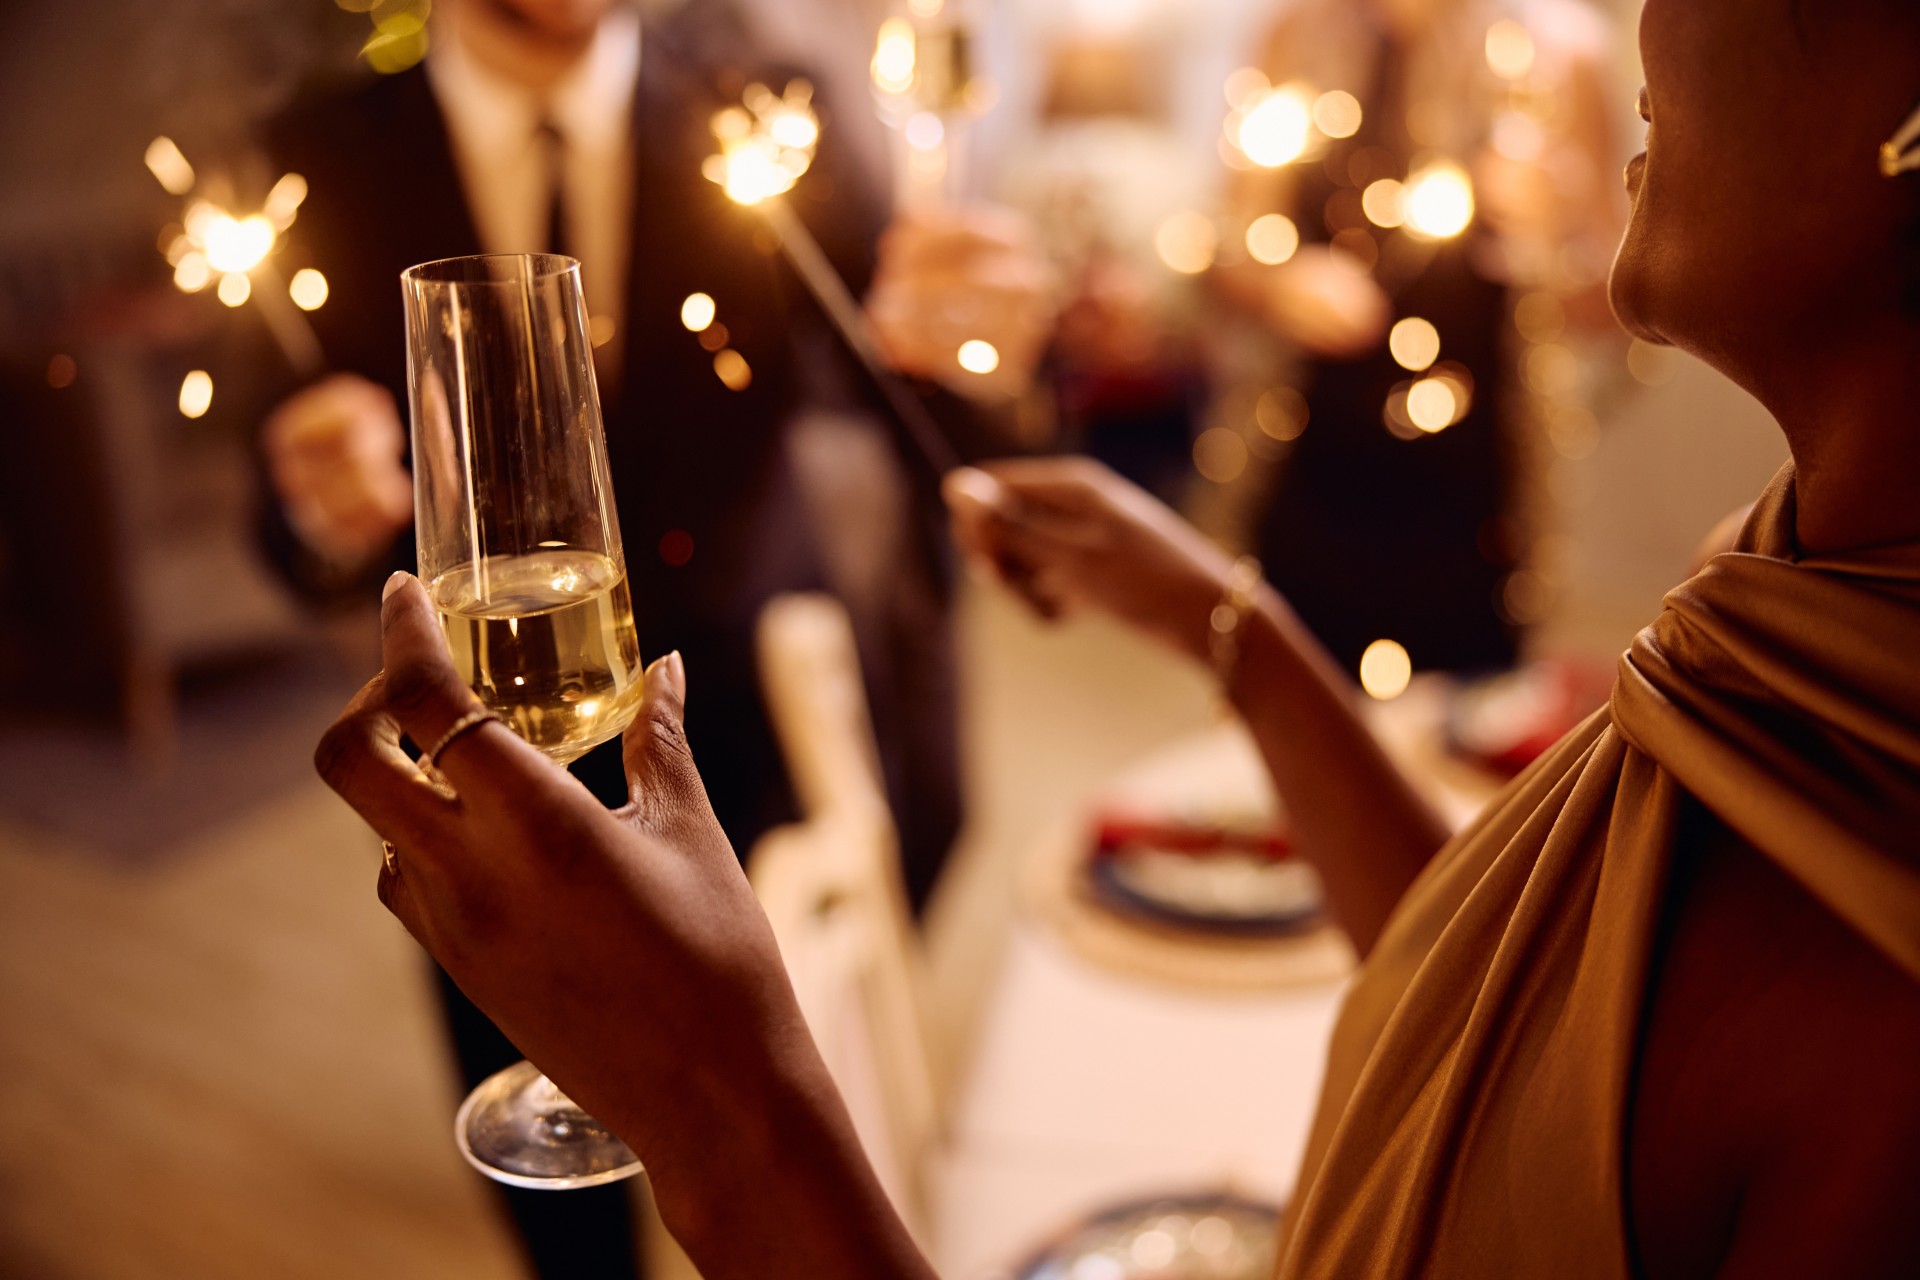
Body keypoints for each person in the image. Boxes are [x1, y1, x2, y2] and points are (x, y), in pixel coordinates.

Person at [314, 0, 1920, 1274]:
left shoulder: (1874, 993)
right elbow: (1502, 976)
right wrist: (1225, 627)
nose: (1650, 15)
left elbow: (922, 370)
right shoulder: (1789, 590)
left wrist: (727, 1113)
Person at [257, 0, 1049, 1273]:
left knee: (787, 1140)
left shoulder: (768, 97)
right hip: (480, 757)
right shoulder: (321, 156)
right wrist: (316, 505)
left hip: (740, 717)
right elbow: (287, 487)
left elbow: (911, 371)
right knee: (552, 1175)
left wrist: (984, 349)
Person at [1214, 0, 1623, 673]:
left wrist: (1558, 229)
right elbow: (1227, 252)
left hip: (1475, 489)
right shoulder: (1299, 35)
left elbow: (1611, 302)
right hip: (1308, 460)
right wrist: (1280, 283)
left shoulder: (1557, 50)